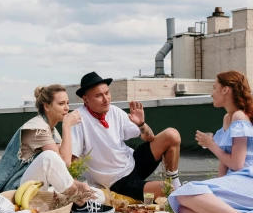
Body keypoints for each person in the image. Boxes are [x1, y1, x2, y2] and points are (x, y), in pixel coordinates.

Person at [168, 70, 253, 213]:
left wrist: (211, 144)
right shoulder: (228, 118)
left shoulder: (239, 117)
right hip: (237, 185)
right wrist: (217, 184)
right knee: (183, 210)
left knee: (183, 193)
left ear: (225, 90)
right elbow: (225, 165)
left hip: (251, 183)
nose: (212, 93)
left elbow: (236, 164)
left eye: (214, 88)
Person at [0, 84, 114, 213]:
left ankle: (77, 203)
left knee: (95, 194)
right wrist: (67, 126)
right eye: (61, 103)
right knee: (49, 157)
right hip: (16, 191)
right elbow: (63, 162)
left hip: (36, 186)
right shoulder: (36, 128)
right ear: (47, 106)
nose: (67, 108)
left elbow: (60, 167)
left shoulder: (51, 130)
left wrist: (79, 185)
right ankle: (79, 204)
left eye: (67, 103)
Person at [71, 72, 182, 202]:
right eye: (98, 96)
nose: (106, 99)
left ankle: (175, 181)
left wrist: (141, 124)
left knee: (171, 134)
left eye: (107, 93)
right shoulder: (78, 119)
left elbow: (149, 137)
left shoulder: (114, 111)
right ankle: (173, 189)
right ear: (85, 99)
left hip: (133, 162)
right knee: (166, 189)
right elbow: (73, 160)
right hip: (118, 181)